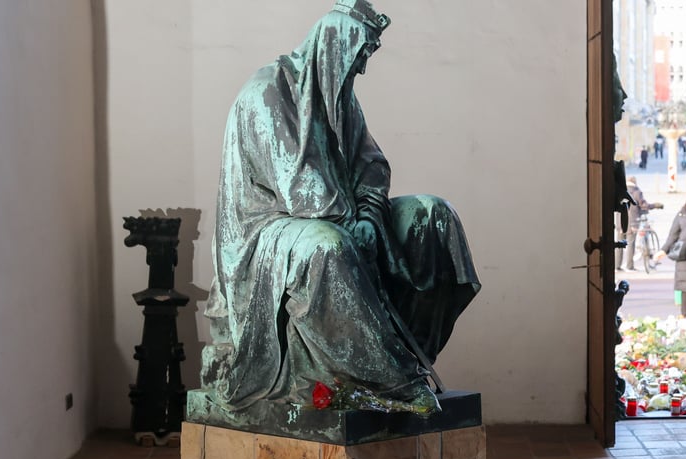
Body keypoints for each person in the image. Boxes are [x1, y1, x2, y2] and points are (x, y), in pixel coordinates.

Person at [201, 0, 481, 414]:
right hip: (266, 234)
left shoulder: (340, 99)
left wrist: (369, 216)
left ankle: (407, 355)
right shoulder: (266, 92)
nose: (362, 68)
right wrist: (354, 221)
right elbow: (300, 189)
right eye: (360, 55)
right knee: (328, 245)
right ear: (336, 45)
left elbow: (371, 166)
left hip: (339, 213)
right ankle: (388, 380)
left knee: (432, 216)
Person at [616, 177, 649, 271]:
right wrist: (653, 206)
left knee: (618, 245)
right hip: (632, 223)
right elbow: (643, 205)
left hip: (620, 223)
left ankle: (617, 266)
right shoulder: (637, 192)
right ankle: (629, 266)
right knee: (630, 244)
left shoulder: (620, 191)